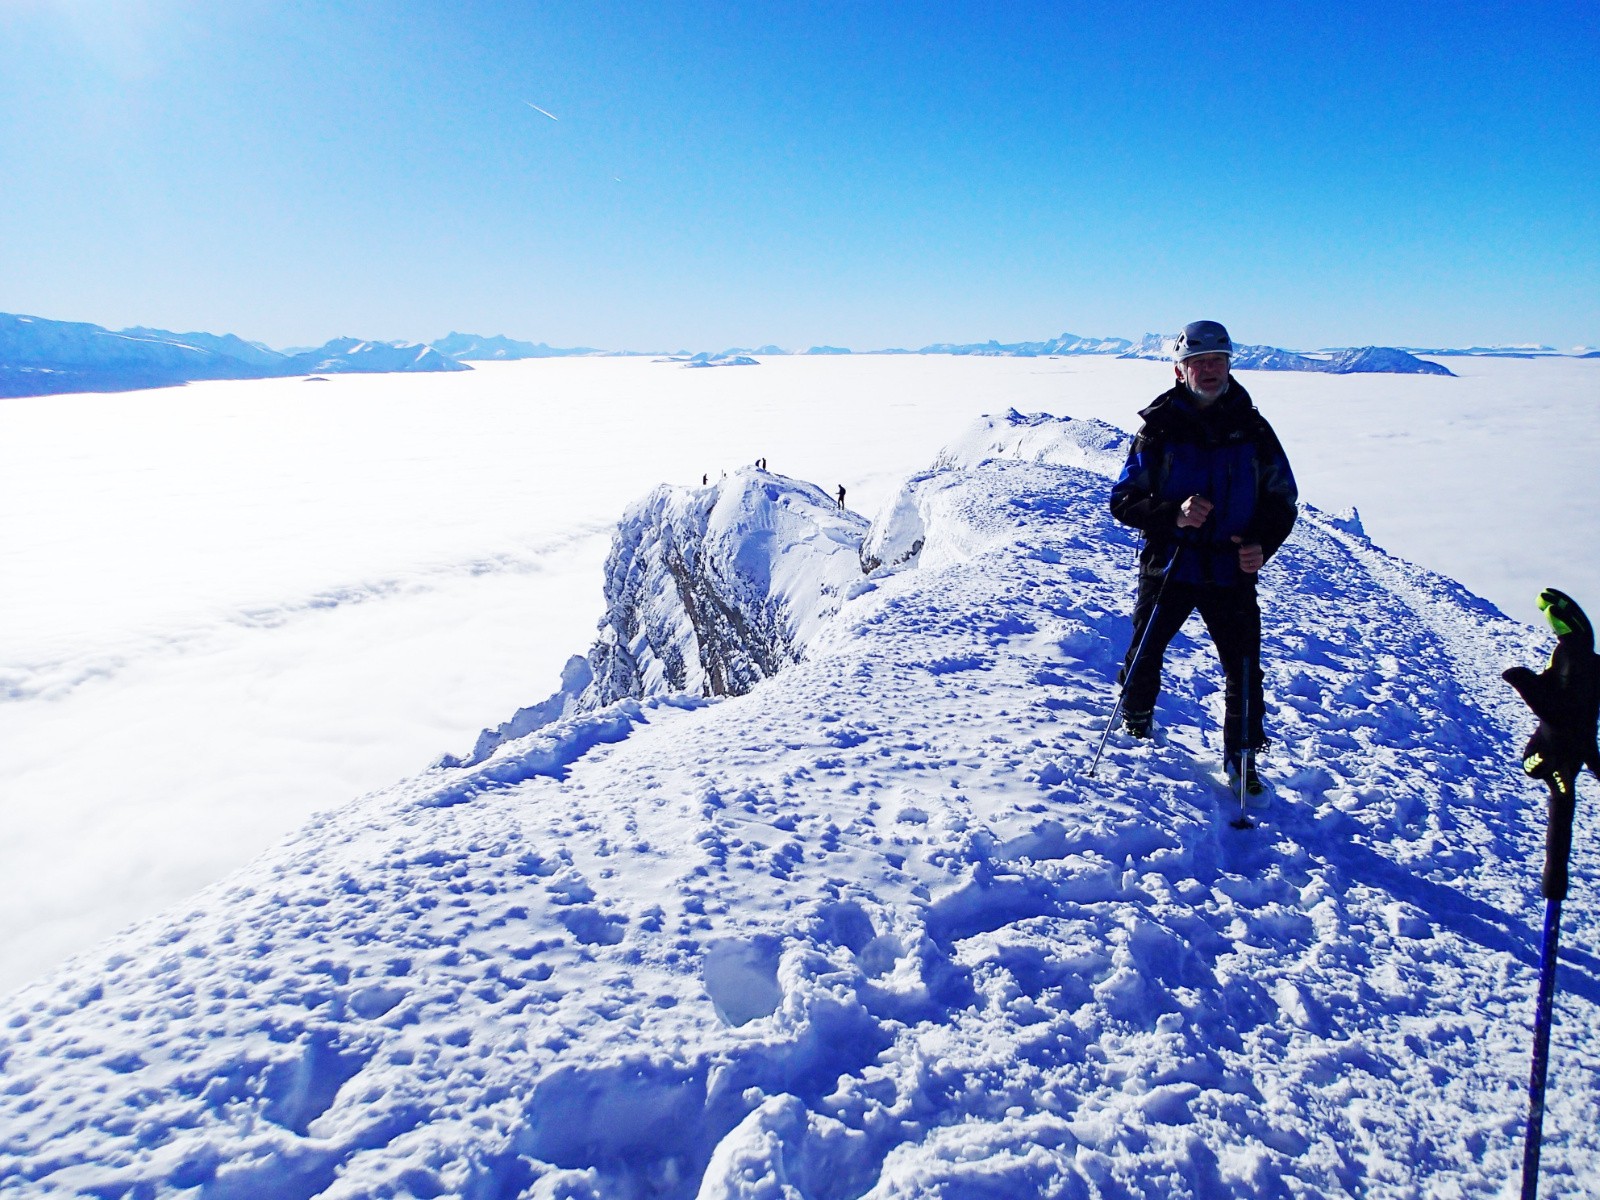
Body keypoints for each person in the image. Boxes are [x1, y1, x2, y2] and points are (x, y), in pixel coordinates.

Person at [1109, 320, 1298, 792]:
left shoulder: (1253, 429)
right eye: (1198, 363)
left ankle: (1242, 755)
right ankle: (1136, 715)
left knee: (1244, 669)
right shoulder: (1158, 428)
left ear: (1230, 366)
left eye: (1217, 361)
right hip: (1170, 563)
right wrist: (1174, 514)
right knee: (1146, 652)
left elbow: (1282, 501)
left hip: (1230, 567)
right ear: (1181, 371)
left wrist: (1261, 544)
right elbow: (1123, 500)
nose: (1209, 370)